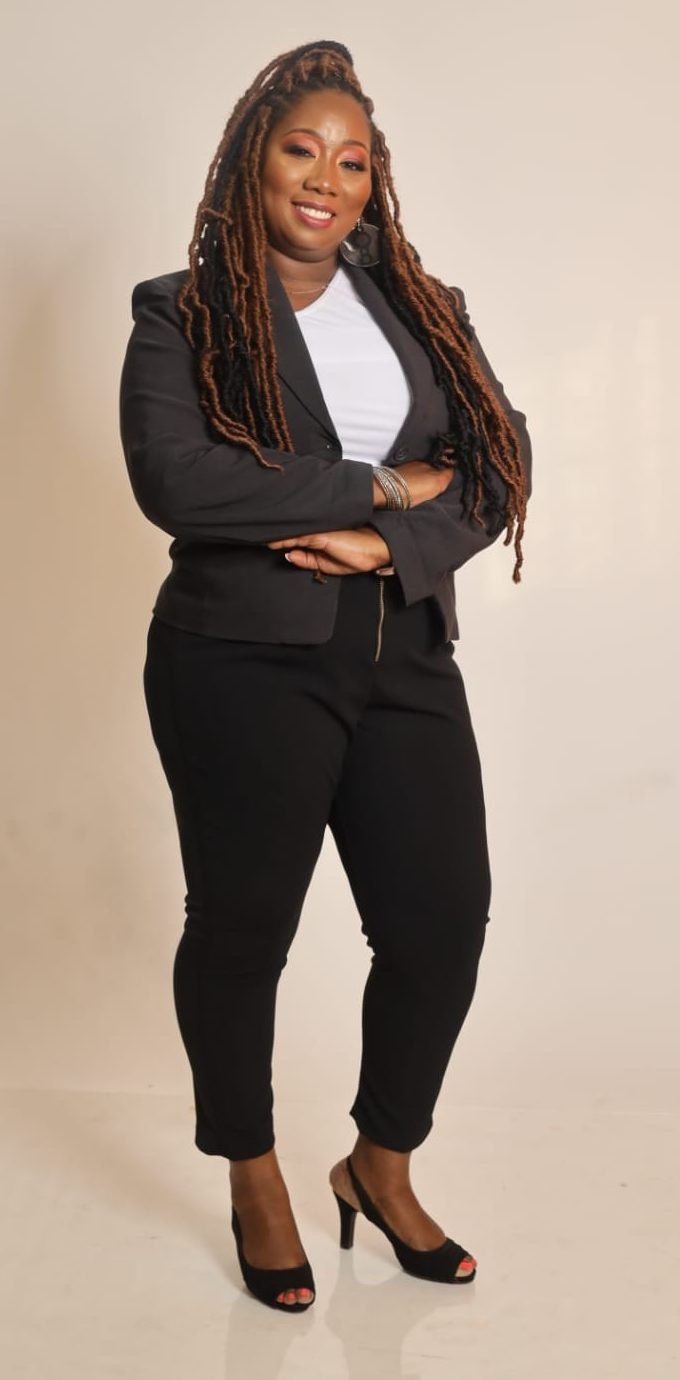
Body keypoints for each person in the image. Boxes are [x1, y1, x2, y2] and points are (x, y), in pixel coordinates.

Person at [119, 39, 532, 1314]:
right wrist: (381, 483)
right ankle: (252, 1174)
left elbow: (499, 459)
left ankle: (377, 1164)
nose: (326, 178)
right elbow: (181, 481)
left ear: (373, 180)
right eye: (302, 150)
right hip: (239, 657)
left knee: (439, 923)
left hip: (403, 646)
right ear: (253, 163)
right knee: (243, 926)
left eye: (352, 161)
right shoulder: (182, 312)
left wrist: (386, 542)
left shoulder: (420, 304)